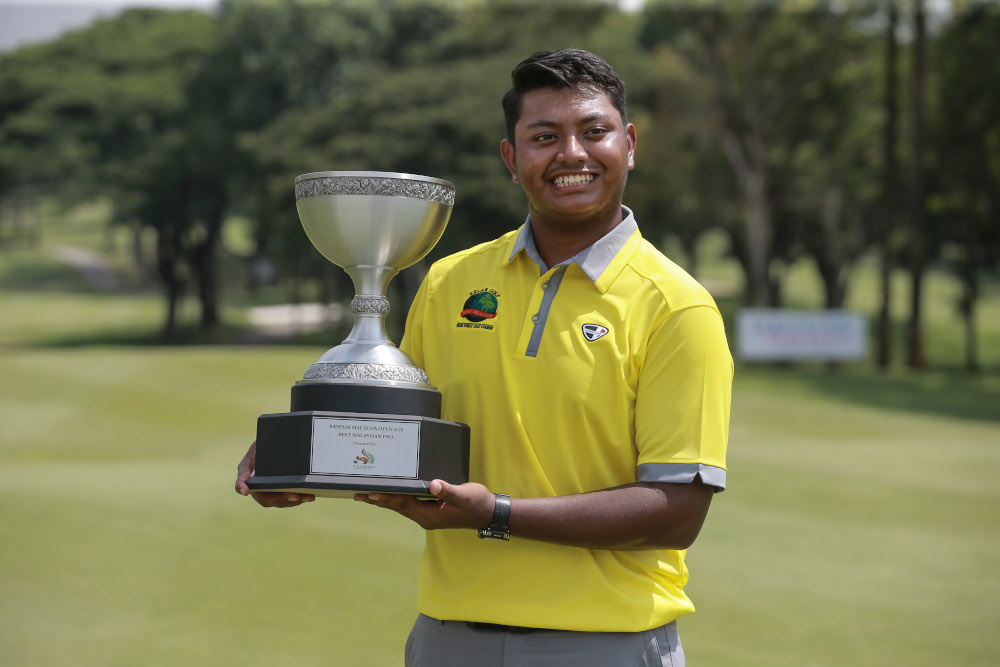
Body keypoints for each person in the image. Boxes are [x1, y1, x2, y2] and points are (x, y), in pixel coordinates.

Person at [236, 48, 732, 667]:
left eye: (594, 131)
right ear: (511, 158)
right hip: (449, 638)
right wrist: (298, 454)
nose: (571, 155)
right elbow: (396, 433)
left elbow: (676, 511)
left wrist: (495, 514)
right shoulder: (451, 281)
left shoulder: (677, 307)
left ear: (628, 144)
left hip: (606, 643)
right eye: (544, 136)